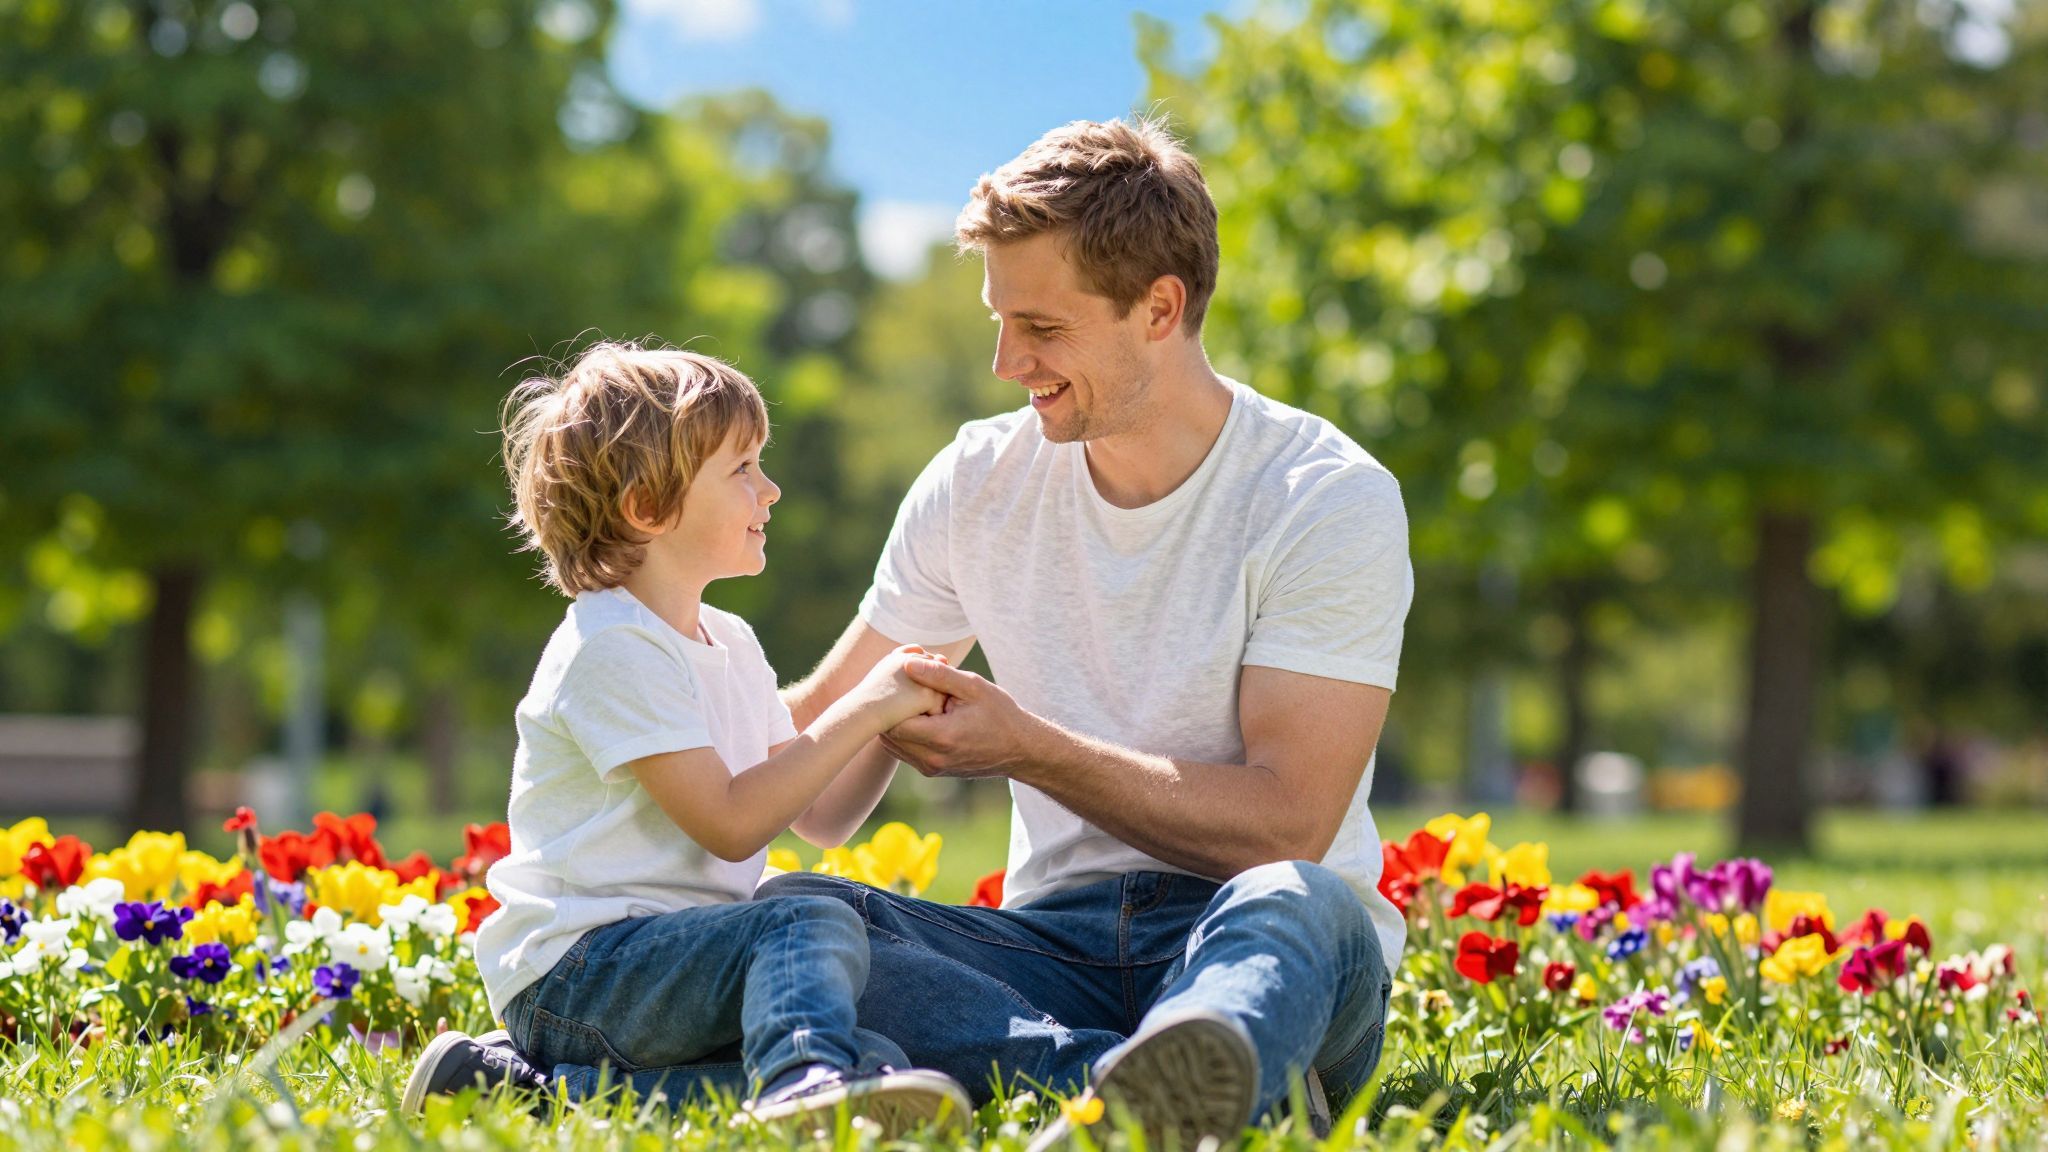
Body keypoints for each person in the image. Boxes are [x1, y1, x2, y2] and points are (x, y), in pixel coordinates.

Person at [761, 117, 1413, 1148]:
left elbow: (1288, 822)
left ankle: (1192, 1049)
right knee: (798, 921)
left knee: (1302, 901)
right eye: (998, 321)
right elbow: (826, 798)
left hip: (1254, 932)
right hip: (1047, 951)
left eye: (1042, 329)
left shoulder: (1319, 497)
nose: (1003, 361)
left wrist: (1026, 747)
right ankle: (1153, 1091)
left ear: (1158, 307)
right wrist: (653, 685)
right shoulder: (977, 482)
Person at [401, 343, 971, 1133]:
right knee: (804, 923)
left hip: (675, 963)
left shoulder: (729, 641)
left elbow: (822, 814)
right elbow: (733, 824)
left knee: (878, 1057)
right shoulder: (613, 647)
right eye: (742, 468)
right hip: (580, 973)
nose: (769, 488)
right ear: (646, 507)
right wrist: (866, 708)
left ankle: (515, 1090)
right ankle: (799, 1091)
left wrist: (904, 705)